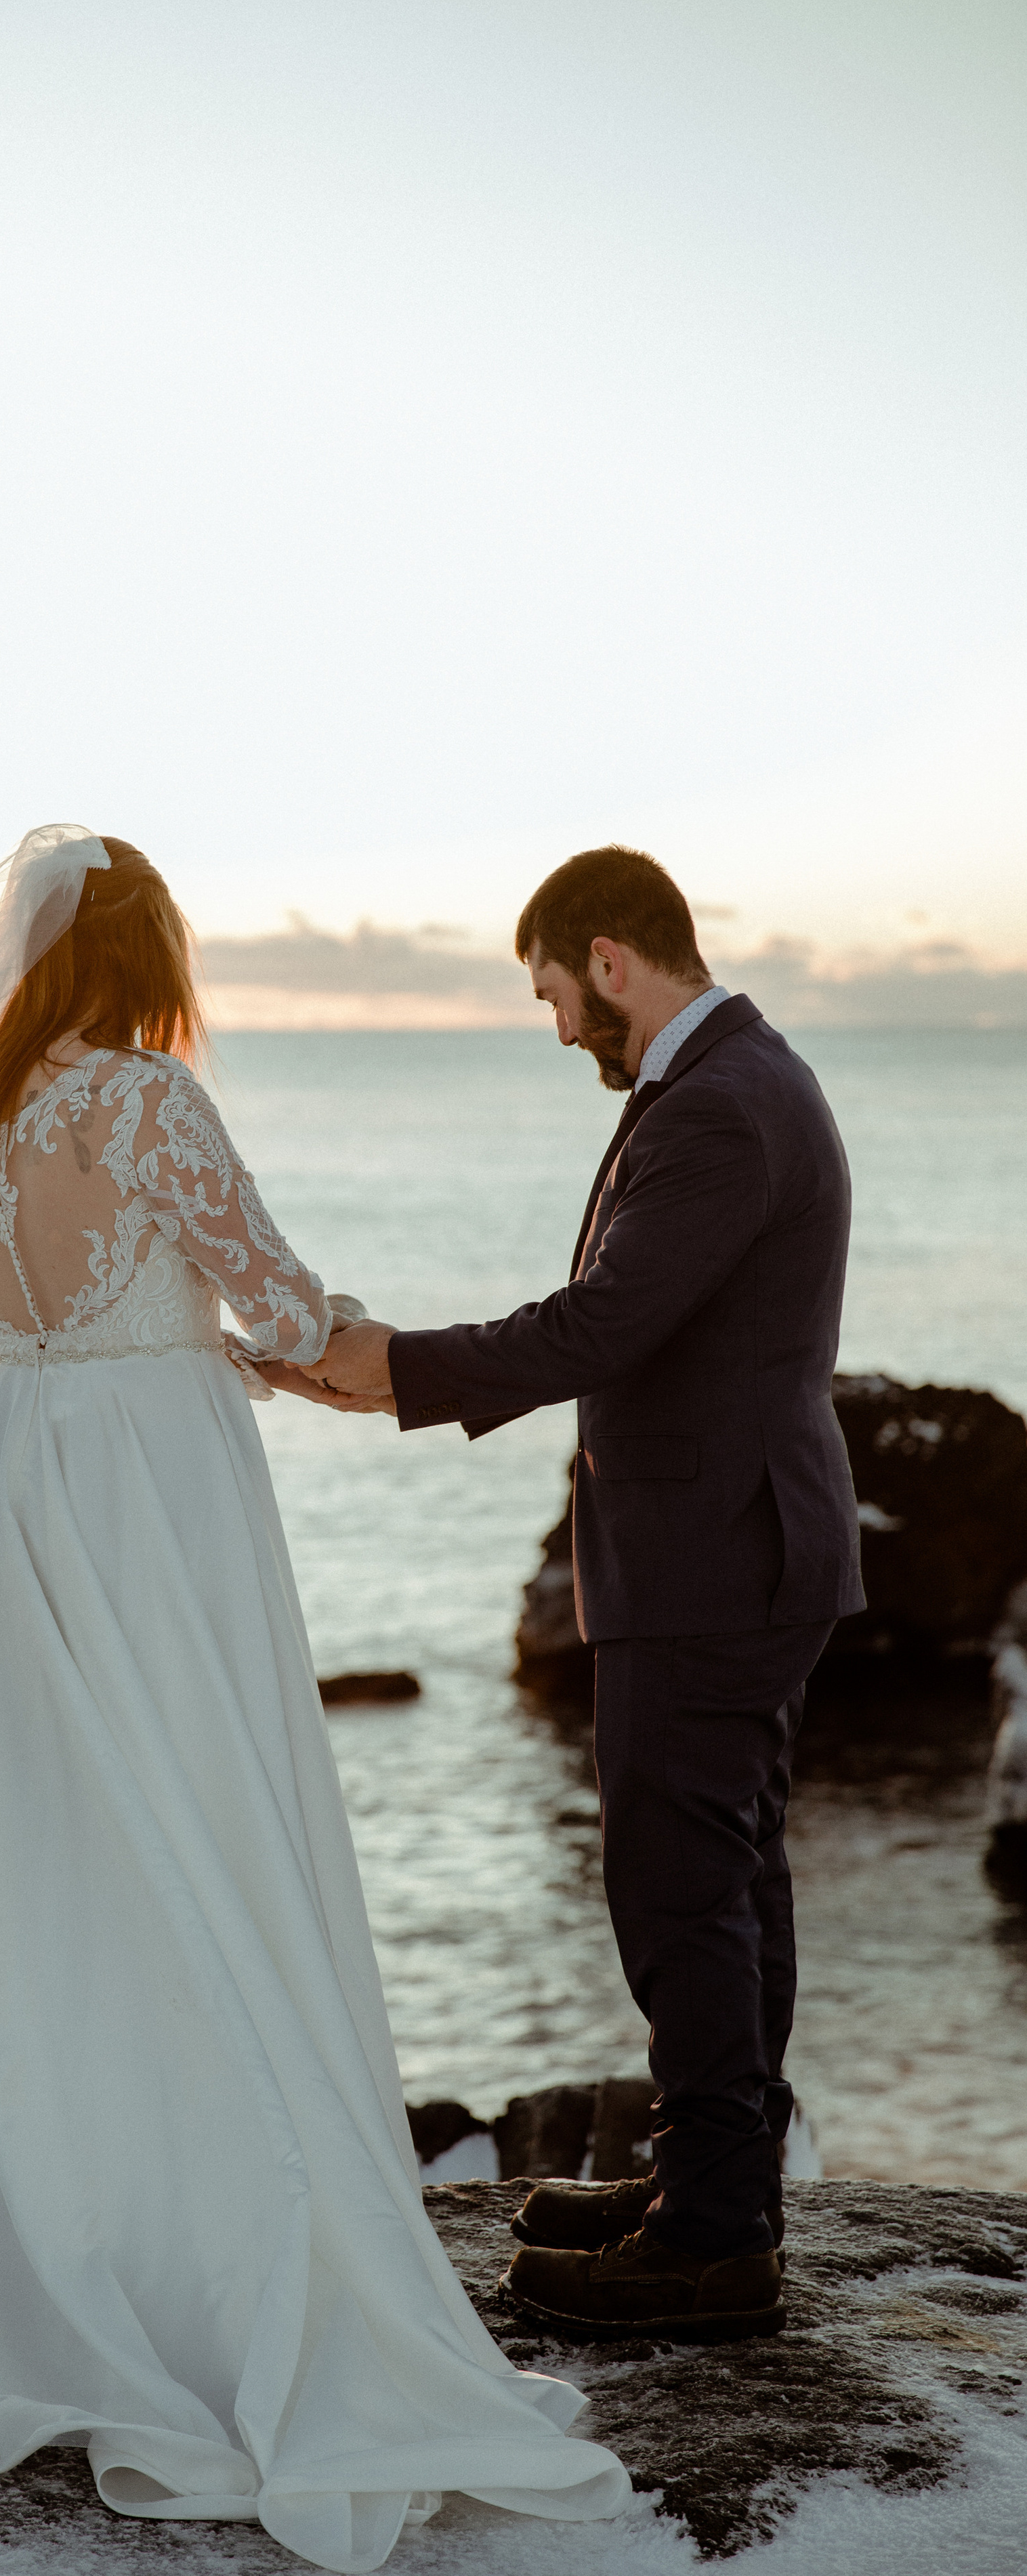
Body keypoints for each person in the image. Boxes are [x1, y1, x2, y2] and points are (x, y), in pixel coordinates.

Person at [0, 827, 631, 2573]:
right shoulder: (145, 1105)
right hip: (154, 1485)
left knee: (35, 1853)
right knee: (197, 1832)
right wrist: (323, 1344)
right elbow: (282, 1297)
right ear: (142, 961)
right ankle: (210, 2257)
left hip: (14, 1468)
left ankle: (26, 2209)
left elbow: (27, 1304)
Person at [294, 845, 862, 2342]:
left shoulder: (724, 1108)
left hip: (712, 1561)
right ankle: (709, 2187)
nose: (554, 1028)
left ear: (607, 960)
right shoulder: (734, 1084)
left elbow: (604, 1321)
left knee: (678, 1885)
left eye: (551, 991)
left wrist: (396, 1367)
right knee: (724, 1879)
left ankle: (714, 2241)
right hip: (733, 1546)